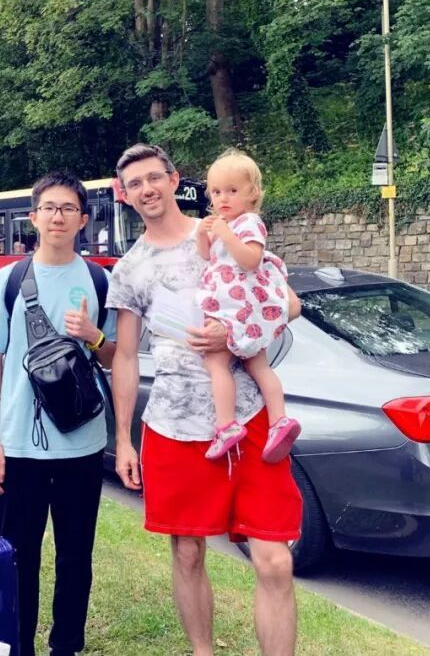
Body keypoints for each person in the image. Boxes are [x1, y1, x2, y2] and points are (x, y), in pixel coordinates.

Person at [106, 143, 303, 656]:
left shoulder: (225, 229)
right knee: (188, 552)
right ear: (125, 195)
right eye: (135, 184)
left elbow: (289, 304)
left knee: (274, 561)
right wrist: (124, 440)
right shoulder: (129, 268)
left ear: (174, 180)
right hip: (173, 422)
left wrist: (232, 333)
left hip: (248, 416)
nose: (147, 189)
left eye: (155, 177)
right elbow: (124, 356)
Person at [0, 171, 117, 656]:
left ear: (83, 220)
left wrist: (93, 335)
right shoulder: (7, 282)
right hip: (19, 448)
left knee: (76, 556)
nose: (58, 216)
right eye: (49, 207)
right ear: (33, 217)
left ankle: (66, 646)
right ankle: (19, 646)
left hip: (82, 445)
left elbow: (116, 356)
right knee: (17, 558)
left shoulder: (99, 280)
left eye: (68, 208)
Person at [196, 149, 300, 461]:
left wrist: (226, 235)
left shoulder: (249, 222)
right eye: (216, 192)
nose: (222, 198)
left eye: (232, 190)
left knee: (216, 362)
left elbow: (251, 260)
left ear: (252, 193)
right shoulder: (224, 224)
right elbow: (207, 257)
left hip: (238, 308)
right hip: (240, 308)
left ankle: (227, 425)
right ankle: (278, 421)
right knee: (257, 364)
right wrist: (203, 235)